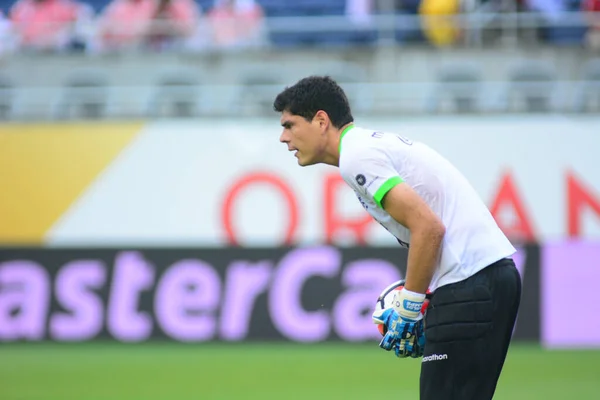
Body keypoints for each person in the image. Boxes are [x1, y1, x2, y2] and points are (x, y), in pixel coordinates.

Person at [273, 76, 521, 400]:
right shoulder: (366, 147)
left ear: (321, 120)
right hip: (485, 277)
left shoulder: (356, 156)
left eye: (290, 125)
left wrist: (410, 306)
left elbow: (429, 229)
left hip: (469, 282)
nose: (283, 138)